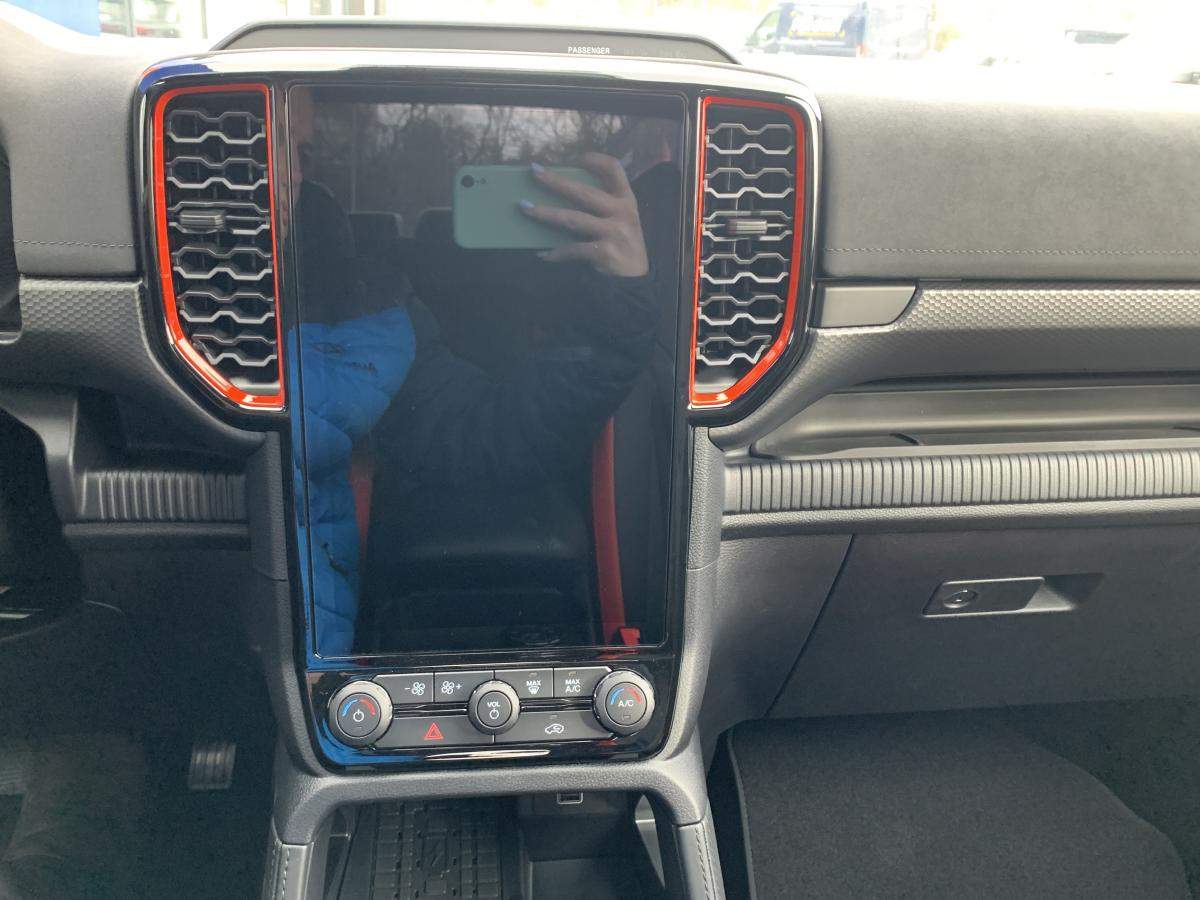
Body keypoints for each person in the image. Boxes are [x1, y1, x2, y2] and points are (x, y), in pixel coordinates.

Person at [288, 91, 662, 655]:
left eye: (302, 155)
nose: (288, 175)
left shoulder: (370, 316)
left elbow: (489, 433)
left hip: (312, 662)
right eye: (263, 144)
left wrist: (619, 307)